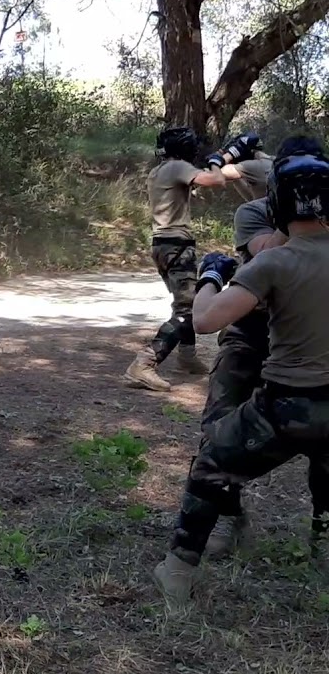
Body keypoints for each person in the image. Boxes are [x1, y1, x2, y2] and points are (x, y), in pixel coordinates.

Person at [153, 139, 329, 607]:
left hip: (286, 404)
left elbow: (207, 319)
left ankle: (176, 572)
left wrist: (212, 275)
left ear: (277, 200)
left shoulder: (276, 260)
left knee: (212, 463)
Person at [193, 135, 314, 558]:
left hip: (307, 333)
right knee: (218, 424)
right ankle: (226, 516)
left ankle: (321, 528)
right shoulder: (253, 212)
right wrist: (298, 212)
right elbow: (269, 250)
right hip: (252, 328)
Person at [123, 126, 233, 391]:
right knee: (188, 308)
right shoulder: (177, 167)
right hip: (176, 245)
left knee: (185, 302)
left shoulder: (159, 170)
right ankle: (145, 363)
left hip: (162, 244)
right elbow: (216, 181)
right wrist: (217, 162)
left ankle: (187, 357)